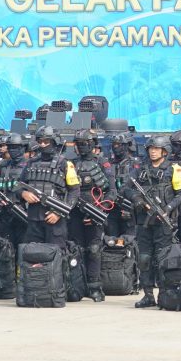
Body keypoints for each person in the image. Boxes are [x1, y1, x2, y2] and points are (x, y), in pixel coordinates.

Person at [130, 135, 181, 308]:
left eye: (156, 148)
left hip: (163, 222)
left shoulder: (173, 169)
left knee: (163, 258)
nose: (153, 151)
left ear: (164, 151)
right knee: (144, 258)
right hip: (143, 222)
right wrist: (137, 200)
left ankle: (164, 294)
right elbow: (126, 188)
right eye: (151, 149)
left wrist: (168, 209)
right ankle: (148, 294)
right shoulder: (140, 168)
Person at [17, 126, 81, 248]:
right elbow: (18, 186)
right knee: (32, 258)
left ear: (54, 142)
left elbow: (74, 192)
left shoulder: (65, 164)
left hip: (55, 220)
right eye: (40, 141)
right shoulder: (31, 163)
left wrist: (59, 213)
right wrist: (23, 194)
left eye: (46, 141)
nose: (42, 144)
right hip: (34, 220)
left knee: (55, 257)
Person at [69, 129, 114, 303]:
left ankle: (95, 286)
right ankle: (77, 285)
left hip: (96, 210)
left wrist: (99, 210)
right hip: (74, 212)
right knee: (76, 249)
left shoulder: (102, 163)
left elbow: (112, 191)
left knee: (94, 250)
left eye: (85, 144)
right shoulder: (70, 164)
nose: (81, 147)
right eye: (78, 144)